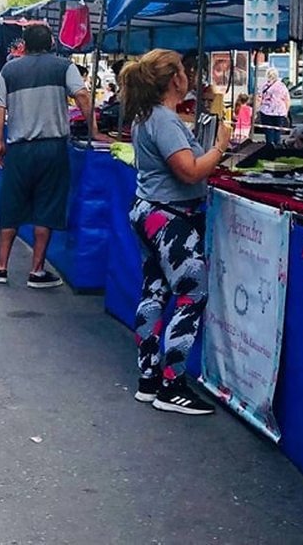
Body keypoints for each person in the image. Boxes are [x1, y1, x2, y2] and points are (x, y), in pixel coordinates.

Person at [121, 49, 230, 417]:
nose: (189, 75)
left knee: (153, 291)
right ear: (174, 79)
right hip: (170, 218)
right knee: (191, 294)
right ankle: (173, 383)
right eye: (184, 70)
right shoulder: (163, 120)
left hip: (149, 212)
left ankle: (148, 377)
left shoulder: (146, 117)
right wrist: (220, 147)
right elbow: (189, 171)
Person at [0, 24, 101, 288]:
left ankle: (1, 266)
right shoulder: (64, 67)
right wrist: (95, 130)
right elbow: (81, 95)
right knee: (47, 207)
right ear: (50, 44)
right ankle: (36, 270)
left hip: (20, 149)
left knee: (11, 205)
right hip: (53, 148)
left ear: (24, 44)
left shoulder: (10, 69)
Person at [256, 66, 290, 145]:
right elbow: (287, 99)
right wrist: (286, 111)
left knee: (268, 130)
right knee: (277, 130)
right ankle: (277, 145)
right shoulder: (282, 86)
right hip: (279, 112)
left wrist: (256, 110)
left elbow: (259, 98)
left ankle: (269, 146)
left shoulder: (264, 86)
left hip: (266, 111)